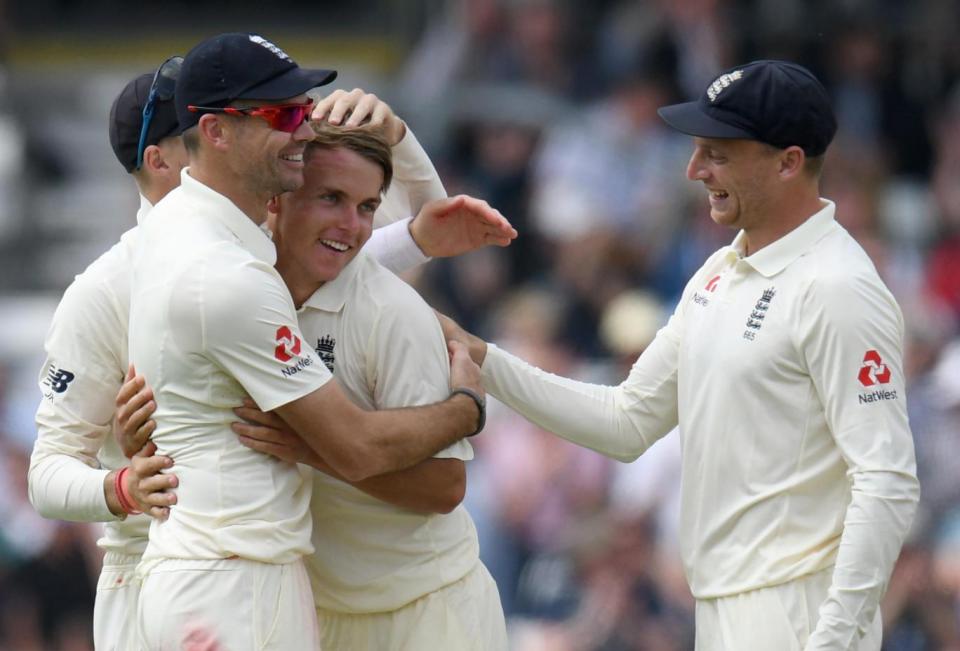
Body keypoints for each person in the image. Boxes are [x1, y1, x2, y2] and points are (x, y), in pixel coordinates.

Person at [30, 55, 515, 651]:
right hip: (173, 576)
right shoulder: (112, 289)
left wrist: (411, 217)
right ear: (181, 151)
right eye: (277, 118)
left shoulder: (240, 250)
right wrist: (122, 485)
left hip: (257, 577)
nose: (297, 138)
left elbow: (316, 271)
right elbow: (45, 474)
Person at [441, 59, 920, 650]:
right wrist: (482, 357)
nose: (695, 170)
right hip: (721, 608)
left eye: (718, 153)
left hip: (798, 616)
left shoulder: (840, 287)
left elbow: (887, 480)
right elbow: (627, 421)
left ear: (788, 162)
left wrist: (836, 636)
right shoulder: (720, 272)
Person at [226, 121, 508, 650]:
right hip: (321, 612)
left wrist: (310, 447)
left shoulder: (395, 314)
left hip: (431, 609)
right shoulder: (240, 291)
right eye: (330, 198)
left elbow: (445, 487)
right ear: (278, 200)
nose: (350, 226)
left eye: (366, 207)